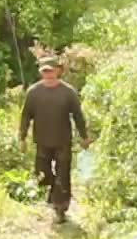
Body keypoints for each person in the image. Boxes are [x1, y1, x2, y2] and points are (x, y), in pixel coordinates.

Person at [18, 56, 91, 224]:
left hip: (63, 140)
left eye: (51, 71)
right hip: (42, 141)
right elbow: (26, 116)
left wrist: (84, 136)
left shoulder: (68, 92)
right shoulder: (34, 92)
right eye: (45, 71)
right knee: (42, 174)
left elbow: (78, 116)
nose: (48, 75)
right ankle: (53, 191)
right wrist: (22, 137)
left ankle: (60, 208)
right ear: (41, 73)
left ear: (58, 71)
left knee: (63, 175)